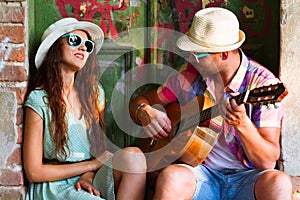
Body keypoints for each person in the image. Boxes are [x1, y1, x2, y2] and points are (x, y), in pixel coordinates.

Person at [129, 7, 292, 200]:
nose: (190, 58)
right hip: (201, 175)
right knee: (171, 176)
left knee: (279, 183)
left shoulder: (263, 85)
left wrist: (242, 125)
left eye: (197, 54)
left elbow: (267, 161)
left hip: (247, 178)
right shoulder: (189, 76)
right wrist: (145, 112)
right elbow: (140, 101)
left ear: (223, 55)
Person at [23, 17, 146, 200]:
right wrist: (90, 166)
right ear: (55, 47)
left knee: (134, 157)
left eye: (88, 45)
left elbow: (99, 153)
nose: (83, 48)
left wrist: (88, 175)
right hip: (54, 185)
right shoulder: (39, 99)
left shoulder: (94, 94)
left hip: (91, 175)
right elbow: (34, 172)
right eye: (75, 41)